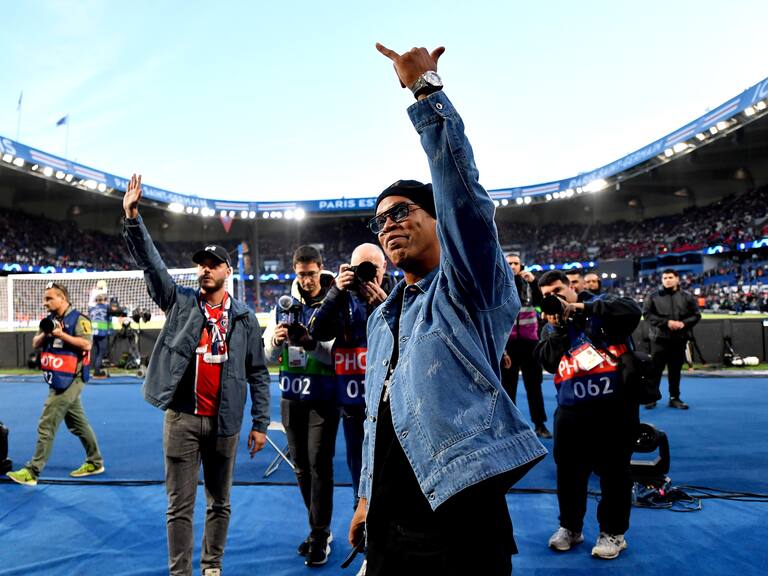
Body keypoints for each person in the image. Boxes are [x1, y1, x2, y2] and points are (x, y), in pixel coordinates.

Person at [347, 43, 547, 576]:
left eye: (401, 211)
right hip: (389, 520)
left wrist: (426, 92)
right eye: (379, 219)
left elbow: (464, 197)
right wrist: (367, 496)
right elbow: (377, 416)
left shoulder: (468, 288)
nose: (387, 223)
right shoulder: (383, 317)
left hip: (459, 518)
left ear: (438, 220)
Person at [121, 174, 271, 576]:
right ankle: (180, 572)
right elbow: (152, 267)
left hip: (225, 423)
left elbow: (258, 373)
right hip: (182, 420)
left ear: (227, 270)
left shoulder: (244, 317)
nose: (204, 270)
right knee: (179, 506)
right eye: (200, 265)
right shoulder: (181, 303)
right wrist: (134, 219)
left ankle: (212, 565)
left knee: (220, 501)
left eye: (212, 264)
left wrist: (259, 423)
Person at [534, 269, 642, 560]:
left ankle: (613, 533)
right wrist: (557, 328)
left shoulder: (602, 305)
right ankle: (570, 527)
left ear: (572, 287)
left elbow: (633, 310)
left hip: (614, 408)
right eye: (547, 296)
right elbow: (546, 361)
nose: (554, 299)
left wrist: (583, 308)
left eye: (558, 291)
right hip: (571, 411)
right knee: (569, 474)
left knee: (615, 474)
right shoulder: (550, 325)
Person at [263, 245, 339, 567]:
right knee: (300, 467)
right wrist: (275, 342)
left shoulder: (335, 304)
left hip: (324, 395)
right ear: (294, 271)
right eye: (301, 273)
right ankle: (317, 527)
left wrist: (311, 343)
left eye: (312, 273)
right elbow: (266, 357)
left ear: (321, 268)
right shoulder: (281, 307)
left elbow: (335, 356)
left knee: (320, 465)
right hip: (290, 396)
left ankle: (319, 533)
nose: (306, 280)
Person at [309, 243, 389, 510]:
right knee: (359, 470)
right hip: (353, 404)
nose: (366, 276)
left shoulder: (398, 294)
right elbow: (318, 332)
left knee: (390, 473)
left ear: (385, 268)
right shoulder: (340, 297)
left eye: (372, 269)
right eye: (359, 269)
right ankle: (364, 527)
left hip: (389, 405)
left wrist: (385, 305)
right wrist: (335, 291)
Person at [6, 282, 105, 486]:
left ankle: (33, 471)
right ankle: (95, 462)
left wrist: (62, 335)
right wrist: (46, 333)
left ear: (62, 298)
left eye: (49, 298)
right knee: (78, 423)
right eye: (45, 299)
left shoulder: (79, 319)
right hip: (58, 377)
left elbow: (87, 344)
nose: (45, 303)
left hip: (72, 378)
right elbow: (35, 343)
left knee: (46, 423)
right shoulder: (49, 321)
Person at [500, 253, 551, 439]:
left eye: (515, 263)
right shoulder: (498, 284)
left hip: (531, 345)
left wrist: (534, 282)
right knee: (508, 388)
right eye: (509, 263)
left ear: (521, 265)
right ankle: (509, 428)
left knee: (534, 387)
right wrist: (502, 349)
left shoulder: (530, 283)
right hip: (509, 347)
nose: (512, 266)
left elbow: (542, 304)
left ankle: (540, 424)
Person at [642, 269, 701, 409]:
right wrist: (667, 323)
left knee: (675, 371)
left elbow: (696, 315)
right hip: (659, 340)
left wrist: (683, 324)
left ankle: (674, 398)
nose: (667, 280)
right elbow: (647, 315)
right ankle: (652, 398)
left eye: (670, 277)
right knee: (655, 371)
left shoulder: (687, 296)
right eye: (664, 278)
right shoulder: (653, 296)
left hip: (679, 340)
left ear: (677, 279)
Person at [88, 293, 110, 377]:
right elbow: (109, 320)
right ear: (103, 300)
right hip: (102, 332)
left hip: (93, 332)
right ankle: (97, 372)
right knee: (101, 352)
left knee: (95, 352)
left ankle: (93, 369)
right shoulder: (106, 308)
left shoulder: (92, 309)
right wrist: (110, 331)